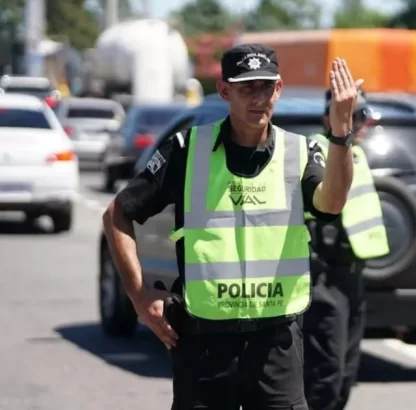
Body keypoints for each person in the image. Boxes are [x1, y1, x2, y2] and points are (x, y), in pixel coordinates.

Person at [101, 43, 363, 410]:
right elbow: (117, 215)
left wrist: (341, 131)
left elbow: (332, 202)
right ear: (225, 91)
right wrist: (140, 296)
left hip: (276, 342)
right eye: (246, 88)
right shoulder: (187, 149)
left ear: (279, 89)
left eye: (266, 87)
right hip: (203, 344)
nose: (259, 98)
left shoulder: (299, 151)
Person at [302, 88, 390, 410]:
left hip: (353, 277)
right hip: (324, 275)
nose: (360, 123)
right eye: (352, 116)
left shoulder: (357, 154)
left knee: (346, 374)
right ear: (329, 117)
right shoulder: (316, 149)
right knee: (325, 373)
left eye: (363, 115)